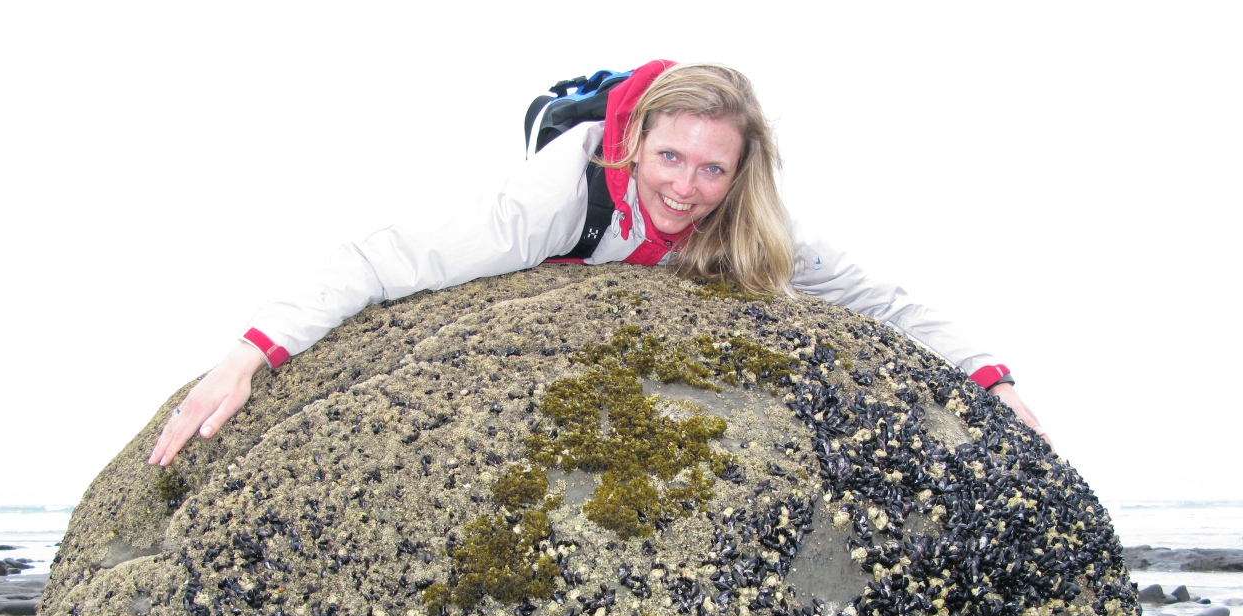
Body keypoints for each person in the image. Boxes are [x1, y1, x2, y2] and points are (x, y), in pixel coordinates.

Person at [149, 60, 1049, 468]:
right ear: (635, 143)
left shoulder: (742, 217)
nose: (687, 188)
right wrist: (250, 354)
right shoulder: (552, 199)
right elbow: (390, 256)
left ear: (741, 172)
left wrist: (990, 379)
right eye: (670, 158)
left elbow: (875, 297)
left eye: (712, 169)